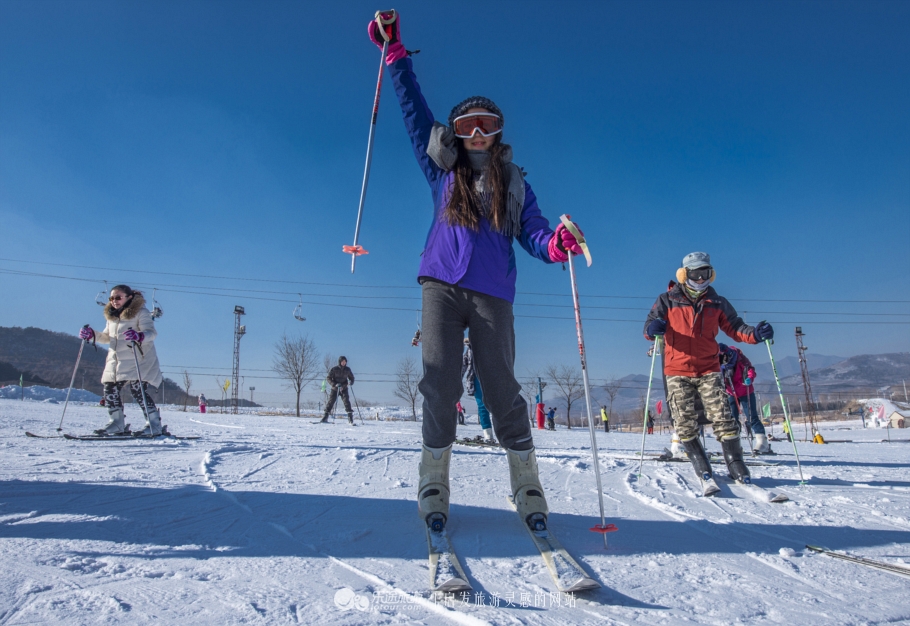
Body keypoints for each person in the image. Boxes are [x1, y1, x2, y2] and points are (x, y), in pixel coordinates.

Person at [371, 12, 585, 535]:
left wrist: (556, 246)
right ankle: (434, 480)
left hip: (493, 293)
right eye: (467, 126)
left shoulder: (515, 183)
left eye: (487, 124)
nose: (478, 133)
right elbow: (414, 112)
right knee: (440, 382)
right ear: (457, 133)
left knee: (501, 387)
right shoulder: (442, 171)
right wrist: (395, 54)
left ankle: (527, 483)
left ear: (499, 132)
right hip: (441, 287)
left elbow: (535, 234)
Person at [644, 252, 773, 495]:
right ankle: (701, 466)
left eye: (705, 273)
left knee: (723, 416)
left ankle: (736, 465)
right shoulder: (667, 300)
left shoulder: (717, 303)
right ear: (684, 275)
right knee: (684, 421)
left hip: (708, 368)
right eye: (695, 274)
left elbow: (735, 327)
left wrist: (755, 334)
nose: (701, 279)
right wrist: (654, 329)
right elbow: (648, 328)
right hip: (677, 370)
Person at [79, 285, 164, 436]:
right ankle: (116, 423)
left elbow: (151, 333)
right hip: (116, 359)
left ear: (129, 297)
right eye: (111, 298)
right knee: (110, 388)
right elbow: (107, 337)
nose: (114, 301)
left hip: (139, 359)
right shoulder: (112, 317)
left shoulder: (141, 312)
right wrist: (92, 335)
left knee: (138, 390)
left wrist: (139, 336)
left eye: (118, 297)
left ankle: (154, 425)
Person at [718, 344, 770, 454]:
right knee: (733, 418)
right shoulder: (719, 362)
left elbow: (750, 369)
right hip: (731, 393)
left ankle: (762, 442)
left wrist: (749, 378)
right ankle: (735, 444)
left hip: (745, 391)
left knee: (751, 416)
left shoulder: (739, 358)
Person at [462, 338, 495, 442]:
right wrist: (455, 380)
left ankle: (507, 433)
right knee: (482, 405)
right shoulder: (469, 350)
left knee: (498, 406)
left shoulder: (492, 345)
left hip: (492, 379)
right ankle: (488, 435)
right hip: (475, 379)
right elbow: (463, 364)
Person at [319, 356, 355, 424]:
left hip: (344, 388)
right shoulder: (334, 369)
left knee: (347, 402)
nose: (344, 363)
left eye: (345, 362)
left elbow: (352, 378)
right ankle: (325, 417)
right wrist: (334, 384)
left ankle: (350, 418)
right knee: (331, 402)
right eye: (342, 361)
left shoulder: (348, 369)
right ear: (340, 362)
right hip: (335, 388)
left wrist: (351, 382)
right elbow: (328, 378)